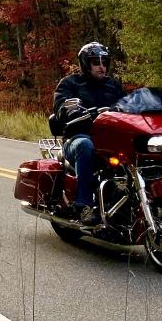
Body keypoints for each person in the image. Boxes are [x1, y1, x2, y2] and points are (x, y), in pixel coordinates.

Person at [52, 42, 125, 226]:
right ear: (85, 63)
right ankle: (83, 205)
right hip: (77, 139)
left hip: (108, 141)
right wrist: (70, 109)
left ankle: (132, 195)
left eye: (104, 61)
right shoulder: (69, 84)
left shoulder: (113, 85)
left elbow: (129, 104)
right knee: (86, 145)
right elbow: (61, 106)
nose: (102, 66)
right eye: (95, 62)